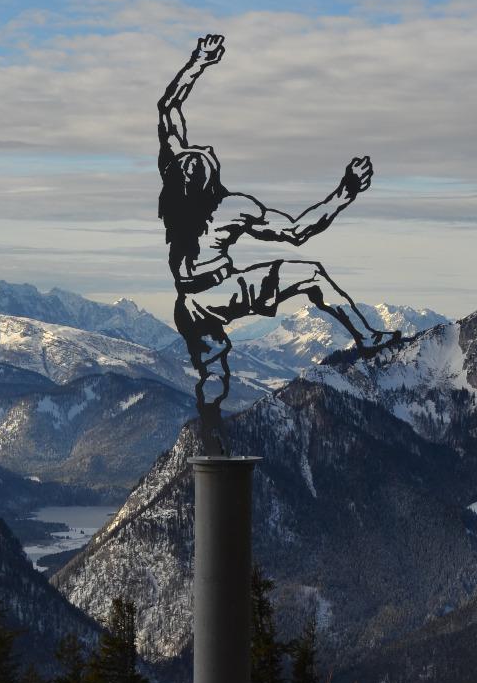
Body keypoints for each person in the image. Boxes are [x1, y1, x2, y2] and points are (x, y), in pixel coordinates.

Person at [157, 33, 399, 455]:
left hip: (187, 302)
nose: (206, 148)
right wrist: (345, 192)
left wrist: (199, 62)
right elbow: (298, 230)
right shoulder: (231, 206)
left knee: (213, 374)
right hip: (219, 290)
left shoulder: (175, 180)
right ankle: (366, 337)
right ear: (209, 179)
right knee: (312, 275)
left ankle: (213, 438)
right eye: (205, 155)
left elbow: (168, 107)